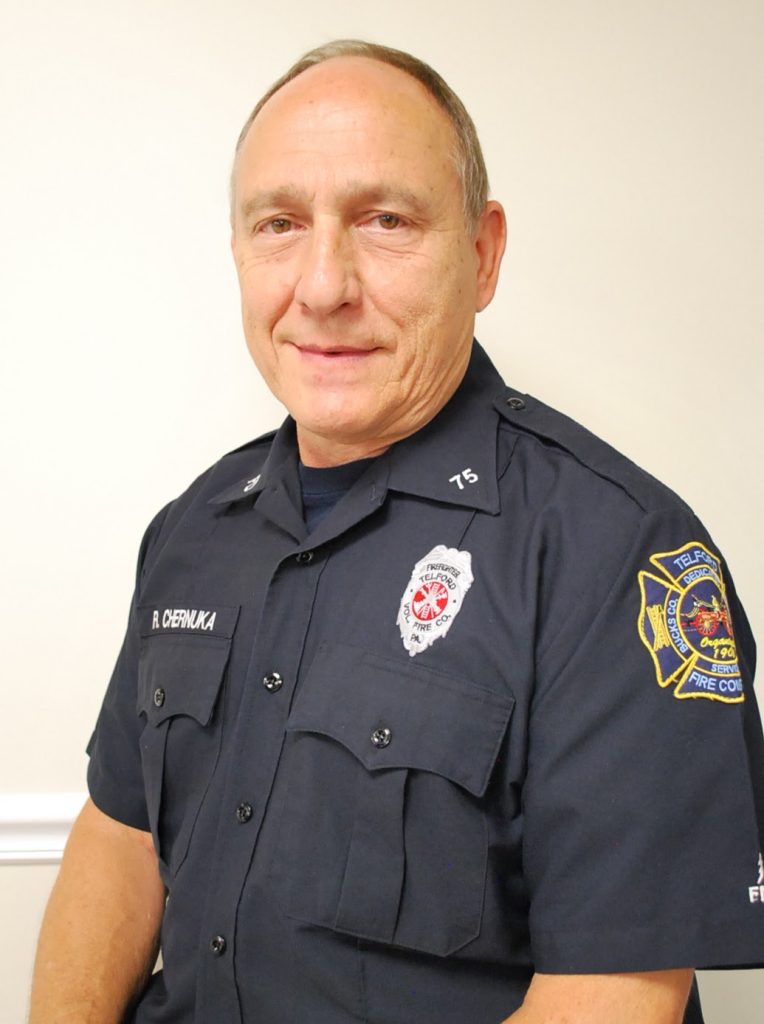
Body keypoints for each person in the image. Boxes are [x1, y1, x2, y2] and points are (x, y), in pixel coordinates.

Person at [29, 39, 764, 1024]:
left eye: (383, 219)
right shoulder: (194, 527)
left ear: (481, 251)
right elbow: (121, 838)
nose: (323, 285)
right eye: (280, 224)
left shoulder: (613, 553)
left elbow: (609, 995)